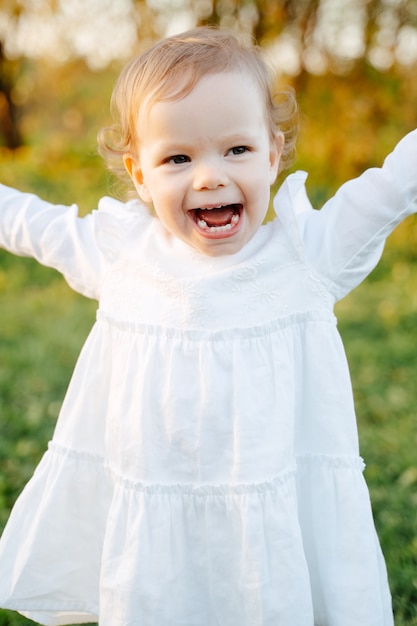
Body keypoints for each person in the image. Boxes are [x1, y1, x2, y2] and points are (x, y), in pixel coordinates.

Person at [0, 25, 415, 626]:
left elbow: (391, 188)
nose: (209, 176)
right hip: (161, 518)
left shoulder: (307, 255)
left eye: (237, 150)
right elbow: (34, 223)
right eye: (177, 158)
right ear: (139, 175)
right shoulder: (125, 257)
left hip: (269, 518)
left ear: (273, 153)